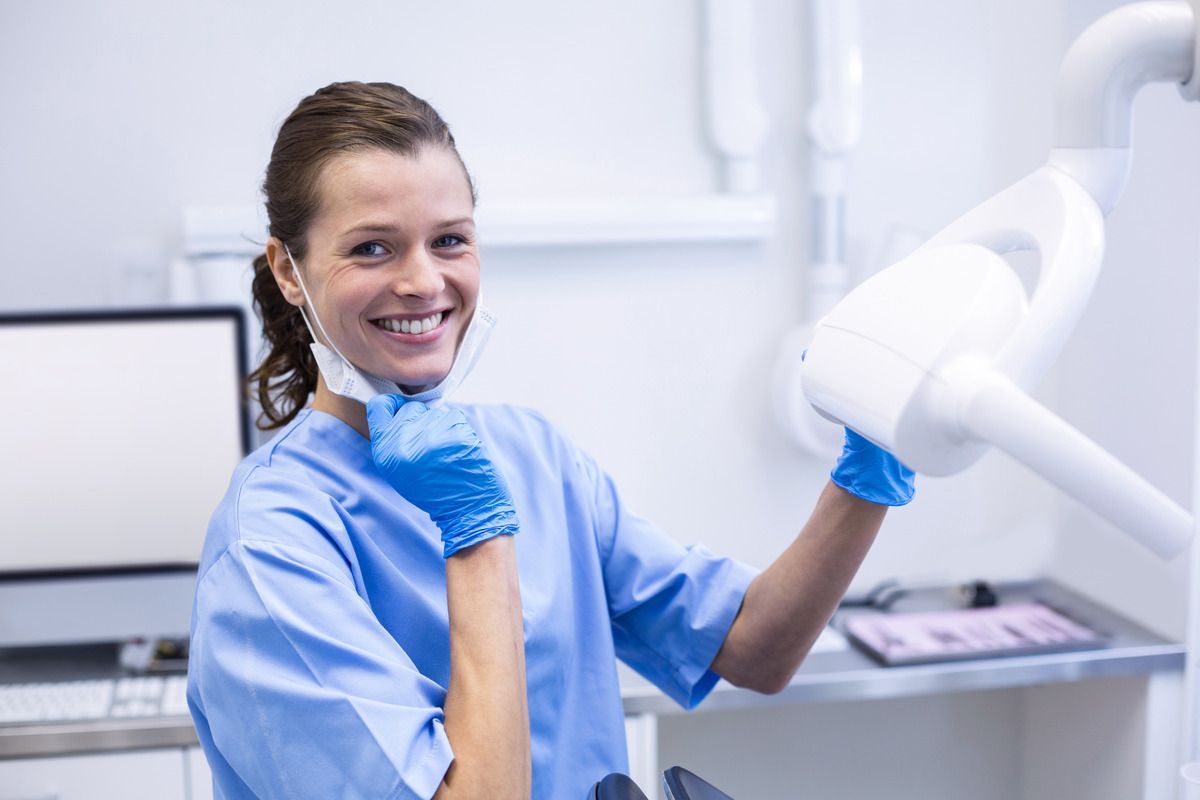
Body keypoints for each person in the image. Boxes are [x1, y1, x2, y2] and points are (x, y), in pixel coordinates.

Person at [186, 81, 914, 800]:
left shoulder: (532, 455)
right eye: (373, 248)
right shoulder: (271, 544)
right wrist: (479, 534)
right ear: (289, 269)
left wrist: (867, 470)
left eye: (449, 241)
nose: (423, 280)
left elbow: (756, 648)